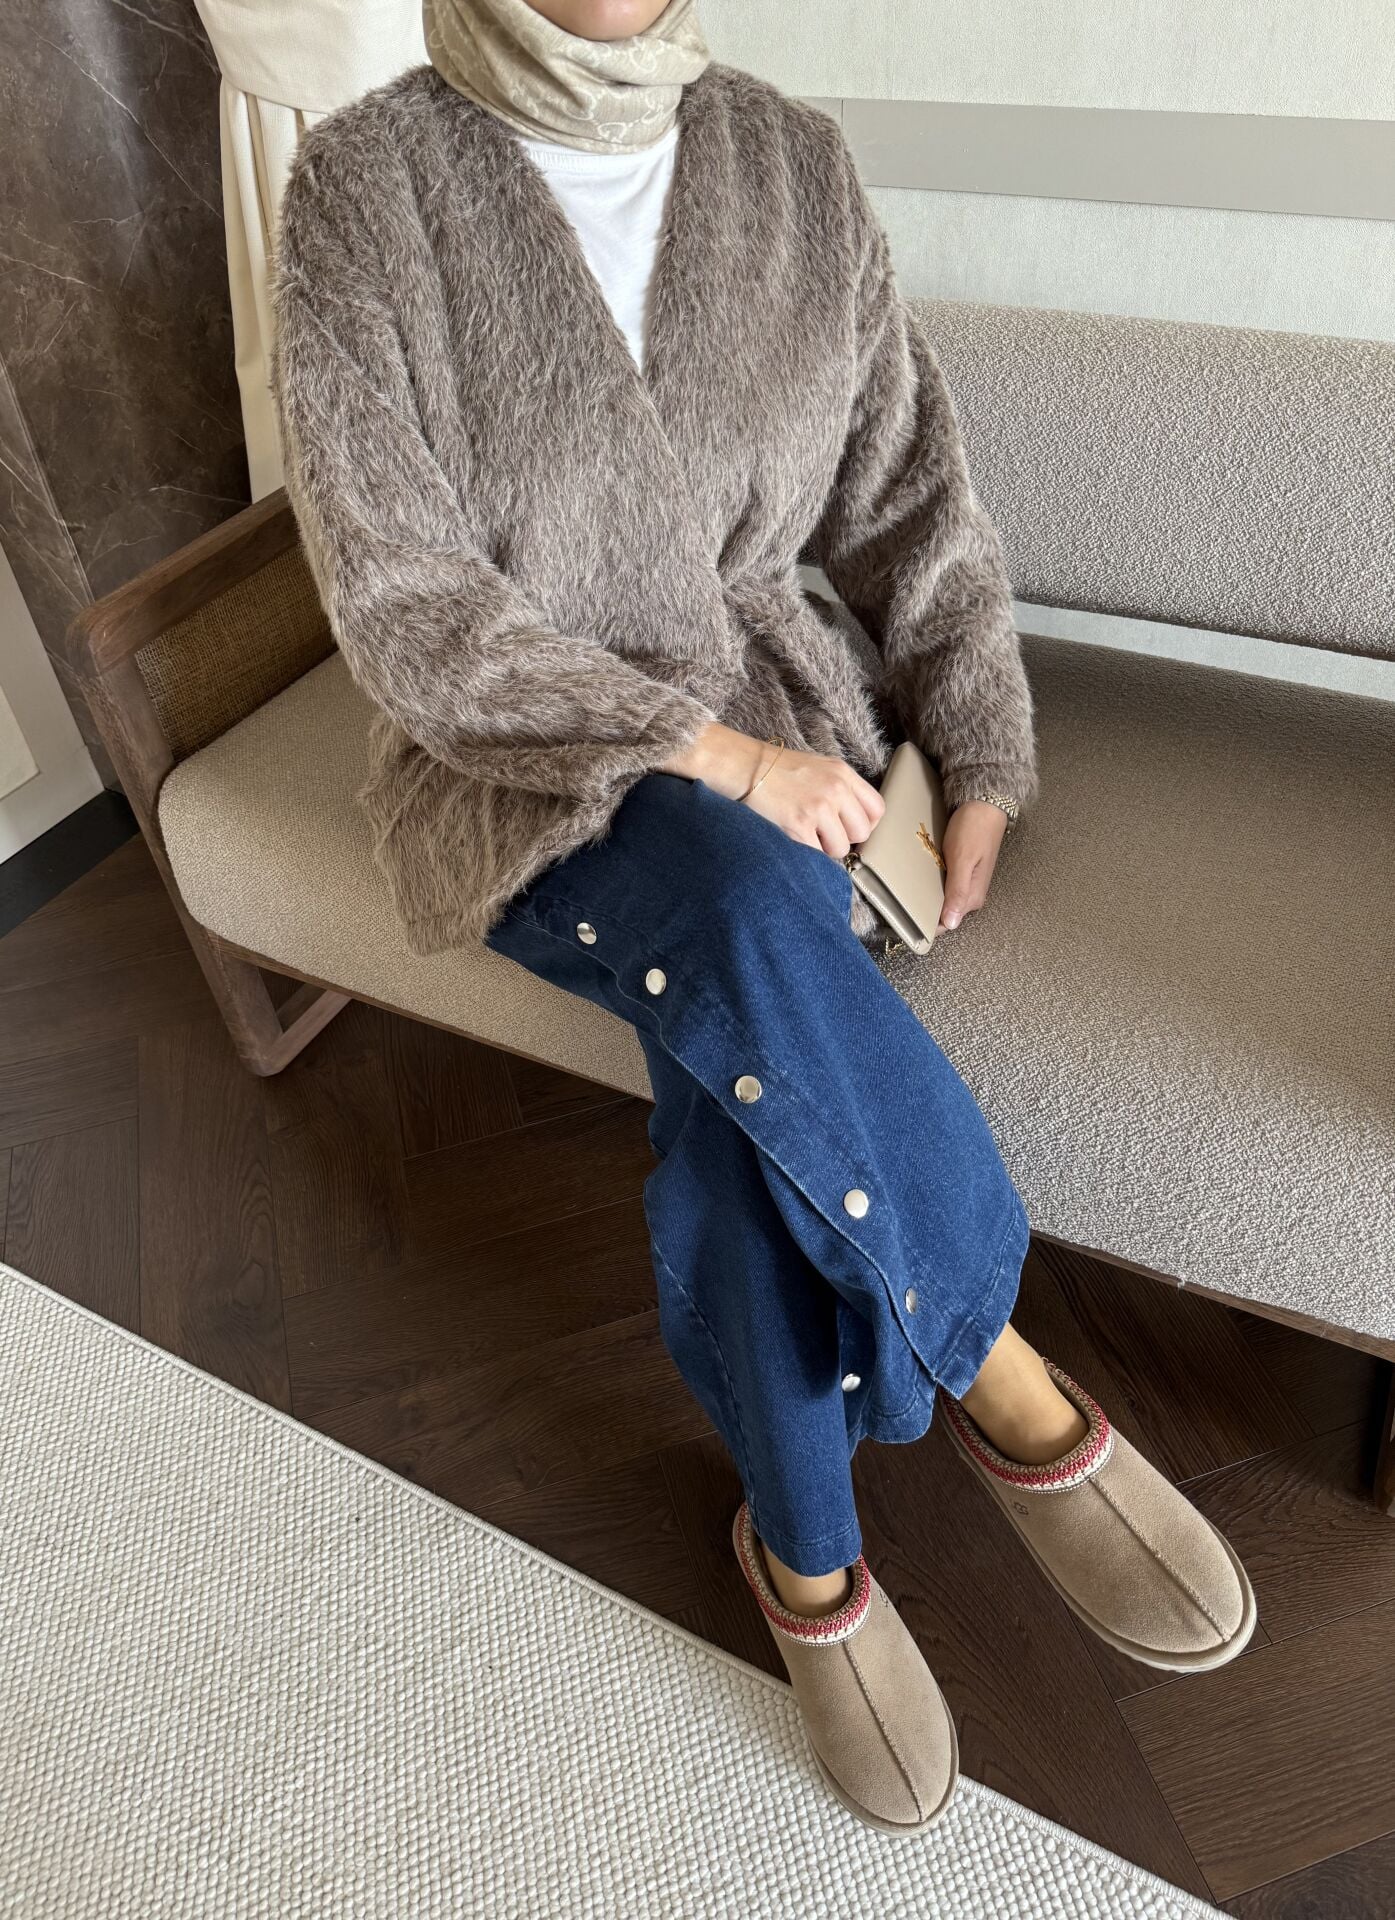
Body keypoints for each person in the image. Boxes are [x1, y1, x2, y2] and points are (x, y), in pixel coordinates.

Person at [268, 0, 1257, 1836]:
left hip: (791, 740)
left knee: (734, 1074)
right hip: (520, 760)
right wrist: (711, 754)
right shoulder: (364, 186)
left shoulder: (789, 162)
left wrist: (977, 740)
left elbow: (910, 498)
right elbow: (402, 602)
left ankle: (803, 1561)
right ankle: (999, 1364)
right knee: (737, 893)